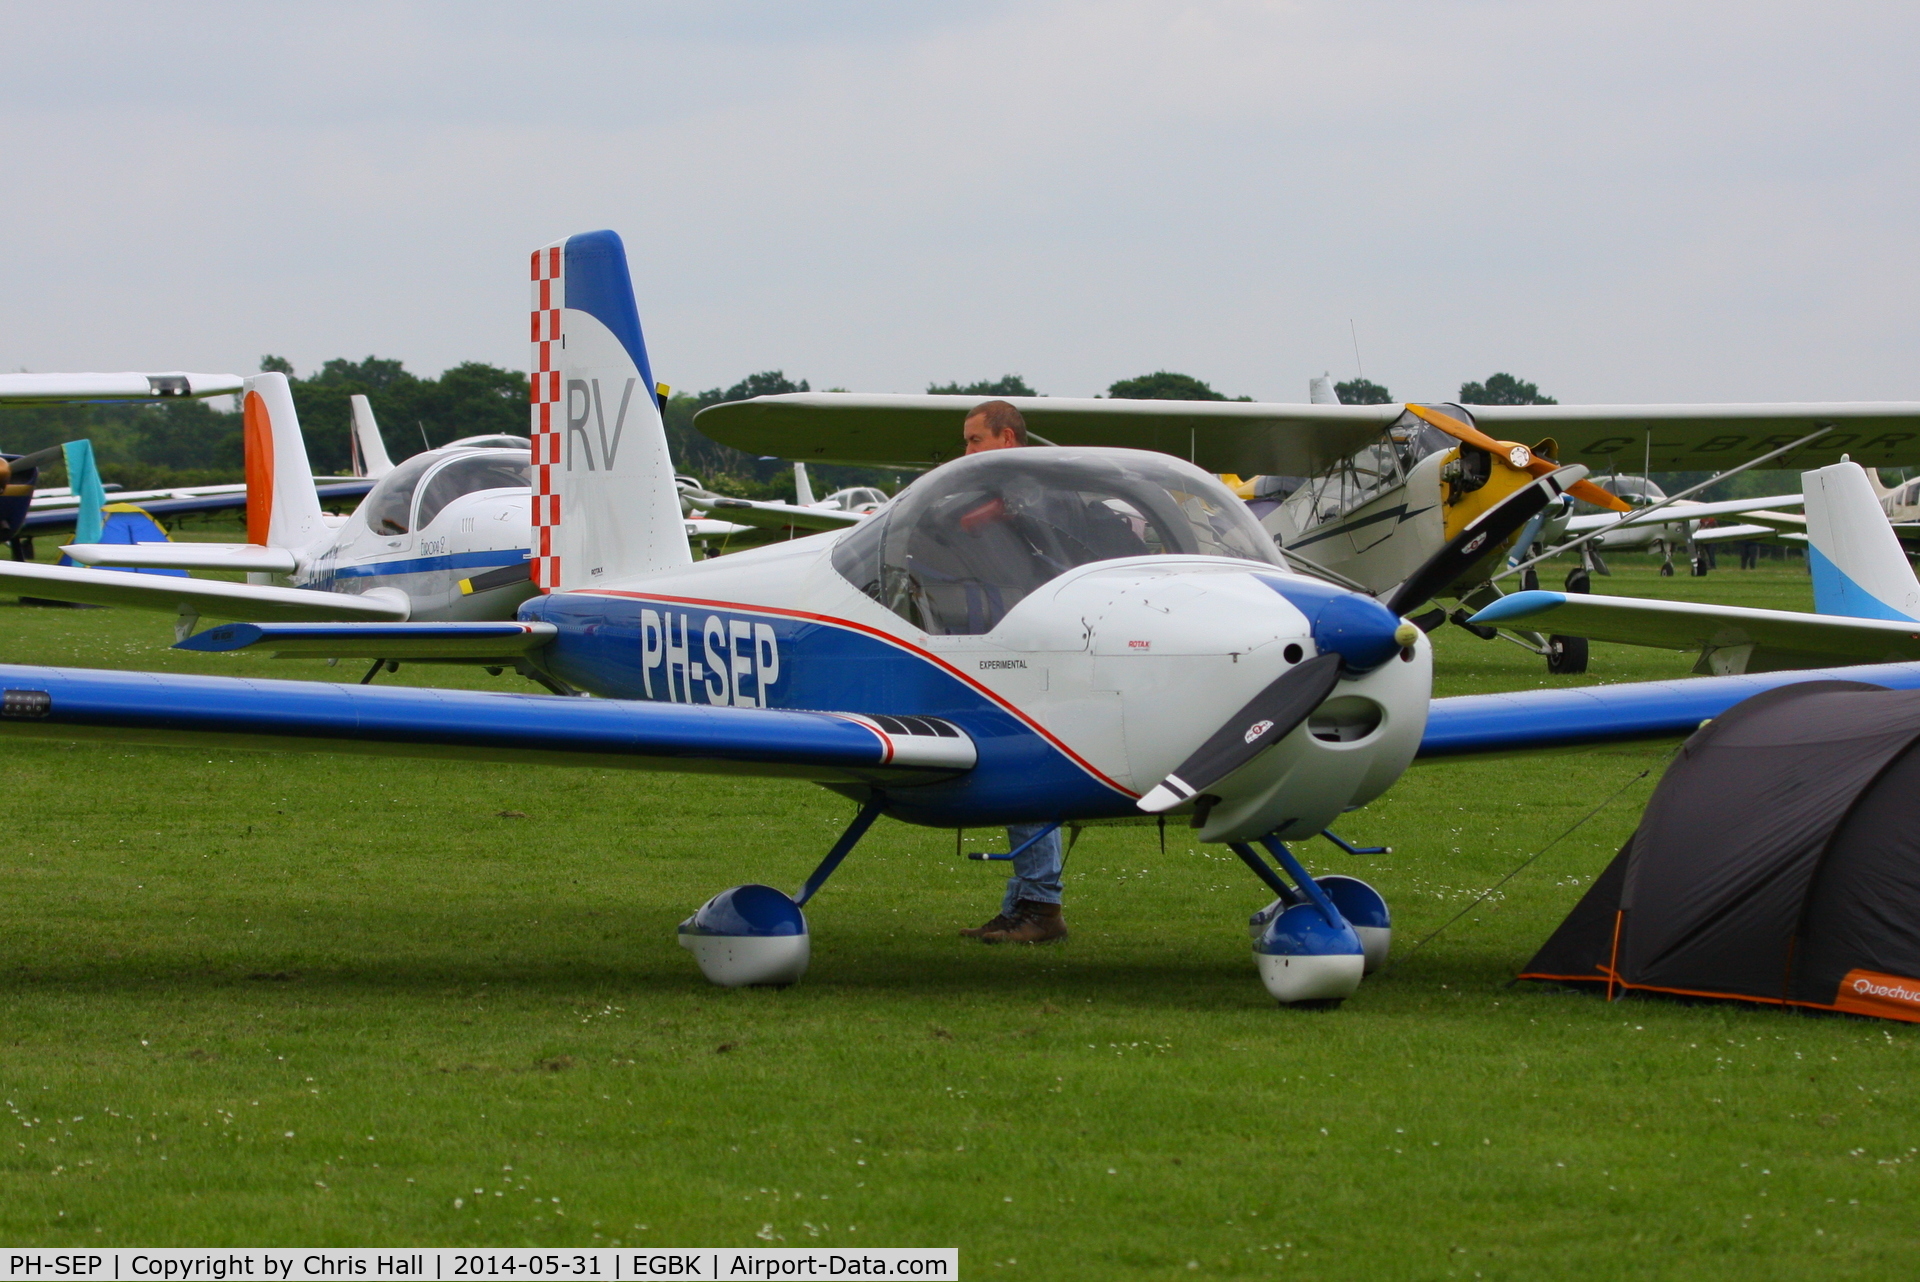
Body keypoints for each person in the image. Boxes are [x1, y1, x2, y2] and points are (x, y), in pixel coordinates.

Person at [953, 400, 1069, 945]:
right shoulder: (1016, 489)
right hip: (1020, 641)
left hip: (1041, 648)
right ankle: (1028, 902)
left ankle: (1040, 906)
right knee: (1022, 766)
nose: (966, 451)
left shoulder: (1028, 493)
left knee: (1023, 765)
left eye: (974, 440)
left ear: (1005, 437)